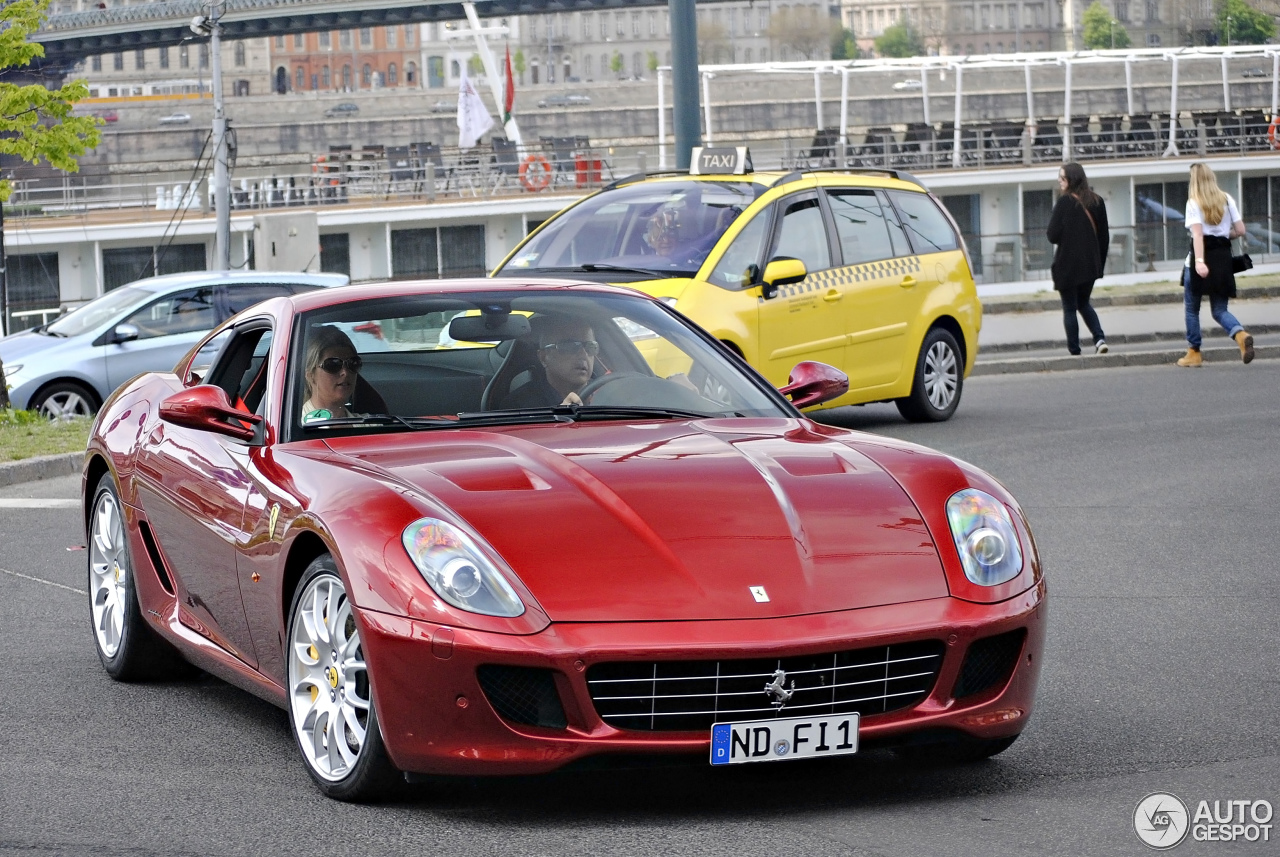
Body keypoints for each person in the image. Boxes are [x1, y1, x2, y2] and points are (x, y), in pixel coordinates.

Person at [1176, 162, 1254, 367]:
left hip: (1201, 257)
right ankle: (1240, 334)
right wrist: (1222, 234)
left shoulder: (1194, 202)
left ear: (1195, 181)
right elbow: (1240, 230)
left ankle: (1194, 353)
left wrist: (1200, 262)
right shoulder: (1227, 199)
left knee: (1192, 309)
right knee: (1219, 309)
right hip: (1223, 258)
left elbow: (1198, 235)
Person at [1047, 162, 1111, 356]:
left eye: (1062, 177)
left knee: (1069, 308)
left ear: (1071, 180)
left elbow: (1052, 235)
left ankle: (1075, 350)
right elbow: (1104, 237)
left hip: (1067, 265)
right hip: (1090, 266)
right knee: (1084, 303)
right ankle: (1099, 339)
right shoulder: (1097, 201)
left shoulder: (1064, 203)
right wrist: (1098, 264)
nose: (1059, 180)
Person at [499, 316, 599, 409]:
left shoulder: (608, 394)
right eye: (569, 346)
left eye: (590, 346)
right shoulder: (518, 406)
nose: (583, 354)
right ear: (543, 357)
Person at [301, 325, 364, 422]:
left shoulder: (371, 427)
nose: (345, 372)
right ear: (310, 375)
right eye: (333, 365)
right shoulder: (294, 427)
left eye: (353, 363)